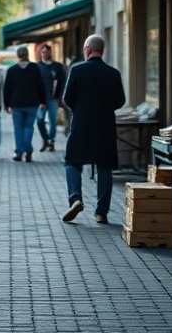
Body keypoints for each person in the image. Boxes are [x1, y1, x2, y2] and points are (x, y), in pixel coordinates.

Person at [61, 34, 126, 225]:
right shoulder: (113, 73)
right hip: (105, 125)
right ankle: (101, 213)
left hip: (82, 124)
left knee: (72, 162)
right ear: (102, 50)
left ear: (87, 49)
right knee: (104, 166)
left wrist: (80, 107)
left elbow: (67, 99)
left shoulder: (77, 70)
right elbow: (120, 101)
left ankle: (76, 199)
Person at [3, 45, 46, 162]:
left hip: (16, 104)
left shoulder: (12, 70)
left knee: (18, 128)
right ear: (27, 55)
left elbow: (7, 89)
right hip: (32, 103)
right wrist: (43, 101)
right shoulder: (35, 68)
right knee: (28, 126)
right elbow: (40, 86)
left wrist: (6, 104)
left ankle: (19, 152)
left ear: (17, 55)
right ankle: (28, 149)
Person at [36, 42, 66, 152]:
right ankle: (45, 139)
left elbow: (63, 82)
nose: (44, 54)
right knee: (39, 120)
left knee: (53, 121)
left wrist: (61, 97)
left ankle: (51, 141)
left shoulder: (57, 67)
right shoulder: (37, 66)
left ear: (50, 52)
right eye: (42, 52)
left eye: (46, 52)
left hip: (53, 98)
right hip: (40, 99)